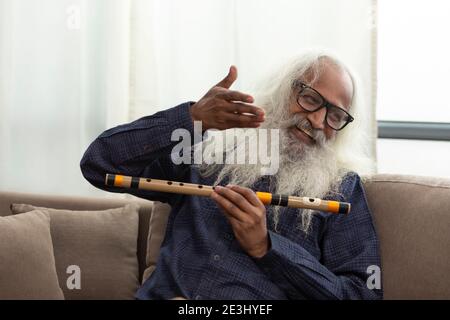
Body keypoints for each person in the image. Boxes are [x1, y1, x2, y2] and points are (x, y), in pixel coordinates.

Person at [80, 50, 383, 300]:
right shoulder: (212, 150)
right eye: (311, 99)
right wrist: (191, 118)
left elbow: (362, 295)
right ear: (284, 90)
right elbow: (99, 164)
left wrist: (268, 247)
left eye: (336, 116)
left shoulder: (341, 189)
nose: (317, 121)